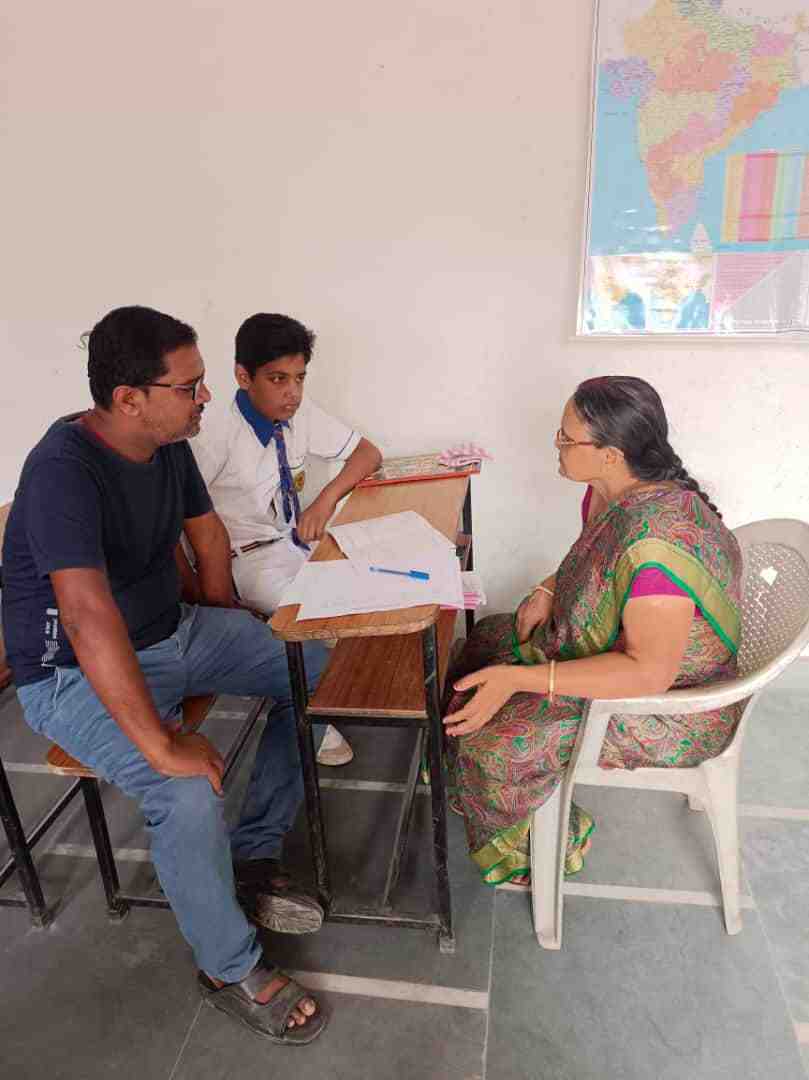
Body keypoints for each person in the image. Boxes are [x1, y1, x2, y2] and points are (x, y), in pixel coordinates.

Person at [1, 306, 330, 1044]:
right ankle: (227, 966)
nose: (205, 397)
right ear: (129, 399)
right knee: (183, 789)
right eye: (190, 386)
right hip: (70, 673)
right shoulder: (62, 470)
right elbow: (86, 617)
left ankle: (251, 857)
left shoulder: (168, 439)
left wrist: (228, 629)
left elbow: (206, 535)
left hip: (170, 632)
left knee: (312, 668)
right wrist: (161, 743)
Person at [443, 376, 743, 886]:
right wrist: (546, 588)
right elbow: (595, 560)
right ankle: (462, 758)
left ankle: (538, 848)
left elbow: (647, 672)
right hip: (625, 654)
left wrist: (519, 680)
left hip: (669, 704)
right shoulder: (609, 492)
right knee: (484, 643)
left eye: (566, 438)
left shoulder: (656, 548)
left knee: (490, 746)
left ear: (611, 453)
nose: (555, 447)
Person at [191, 312, 381, 766]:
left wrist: (325, 500)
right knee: (314, 612)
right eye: (277, 379)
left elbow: (367, 453)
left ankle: (335, 685)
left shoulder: (300, 412)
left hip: (296, 539)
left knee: (371, 583)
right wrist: (211, 595)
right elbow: (184, 518)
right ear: (243, 376)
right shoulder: (212, 432)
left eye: (299, 378)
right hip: (247, 559)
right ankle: (313, 707)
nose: (291, 392)